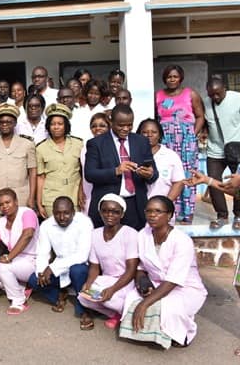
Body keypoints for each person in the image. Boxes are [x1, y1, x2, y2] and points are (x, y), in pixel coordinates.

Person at [119, 196, 207, 349]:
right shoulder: (143, 235)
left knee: (166, 307)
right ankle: (153, 333)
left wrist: (144, 304)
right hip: (156, 283)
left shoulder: (182, 241)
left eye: (158, 211)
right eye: (149, 211)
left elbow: (173, 280)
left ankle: (184, 334)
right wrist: (142, 283)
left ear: (170, 215)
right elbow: (140, 267)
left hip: (184, 287)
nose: (152, 215)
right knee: (131, 299)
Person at [85, 104, 158, 230]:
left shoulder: (141, 141)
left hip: (135, 204)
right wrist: (116, 171)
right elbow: (90, 174)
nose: (126, 129)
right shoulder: (96, 143)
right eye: (121, 125)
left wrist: (149, 174)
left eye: (129, 125)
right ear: (111, 121)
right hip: (108, 206)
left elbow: (154, 173)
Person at [28, 196, 93, 330]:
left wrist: (52, 268)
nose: (62, 217)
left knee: (77, 270)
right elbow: (43, 252)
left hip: (81, 267)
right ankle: (59, 295)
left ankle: (84, 311)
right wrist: (41, 271)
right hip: (59, 269)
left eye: (66, 213)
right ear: (53, 212)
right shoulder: (46, 225)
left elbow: (82, 255)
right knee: (34, 280)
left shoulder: (84, 222)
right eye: (57, 213)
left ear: (73, 212)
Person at [78, 194, 138, 330]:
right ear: (100, 212)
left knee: (110, 299)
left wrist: (112, 289)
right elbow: (94, 267)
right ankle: (117, 313)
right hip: (106, 279)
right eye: (105, 211)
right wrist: (88, 284)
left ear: (122, 214)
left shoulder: (130, 234)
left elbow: (131, 270)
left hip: (126, 281)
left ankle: (119, 312)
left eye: (115, 212)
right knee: (83, 297)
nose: (109, 215)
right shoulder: (95, 234)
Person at [155, 64, 205, 224]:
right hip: (166, 139)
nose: (172, 79)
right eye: (169, 76)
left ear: (180, 78)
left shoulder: (190, 94)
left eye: (175, 76)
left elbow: (200, 116)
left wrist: (192, 134)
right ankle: (171, 210)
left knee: (187, 174)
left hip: (186, 141)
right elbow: (156, 119)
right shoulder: (159, 95)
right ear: (165, 78)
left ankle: (188, 212)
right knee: (168, 174)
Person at [0, 188, 39, 315]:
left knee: (2, 267)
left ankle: (19, 301)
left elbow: (28, 234)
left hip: (32, 261)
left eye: (8, 202)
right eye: (1, 204)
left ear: (16, 201)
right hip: (15, 262)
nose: (5, 206)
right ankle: (22, 288)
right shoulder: (0, 222)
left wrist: (9, 257)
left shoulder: (27, 213)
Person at [202, 75, 240, 229]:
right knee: (213, 182)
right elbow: (204, 121)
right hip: (215, 150)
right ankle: (222, 216)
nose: (215, 97)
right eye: (212, 94)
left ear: (225, 88)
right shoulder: (206, 102)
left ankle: (238, 216)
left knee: (238, 183)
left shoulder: (237, 99)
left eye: (218, 93)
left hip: (237, 149)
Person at [36, 103, 84, 218]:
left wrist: (82, 191)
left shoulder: (79, 144)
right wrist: (39, 203)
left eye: (60, 124)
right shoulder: (40, 148)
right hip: (51, 197)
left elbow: (83, 172)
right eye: (52, 124)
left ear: (66, 126)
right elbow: (41, 177)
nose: (56, 127)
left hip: (74, 195)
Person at [0, 103, 37, 210]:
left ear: (15, 123)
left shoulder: (27, 144)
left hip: (22, 199)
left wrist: (32, 198)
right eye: (2, 122)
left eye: (8, 122)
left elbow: (33, 172)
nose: (5, 125)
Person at [137, 119, 185, 218]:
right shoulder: (133, 154)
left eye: (154, 132)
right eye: (145, 132)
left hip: (162, 211)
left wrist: (166, 204)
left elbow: (179, 182)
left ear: (160, 135)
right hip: (137, 209)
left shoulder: (170, 155)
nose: (149, 135)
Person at [80, 113, 111, 214]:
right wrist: (80, 190)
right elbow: (82, 172)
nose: (97, 128)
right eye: (94, 126)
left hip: (107, 191)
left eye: (102, 125)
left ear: (109, 127)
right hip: (87, 192)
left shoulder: (113, 146)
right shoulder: (85, 147)